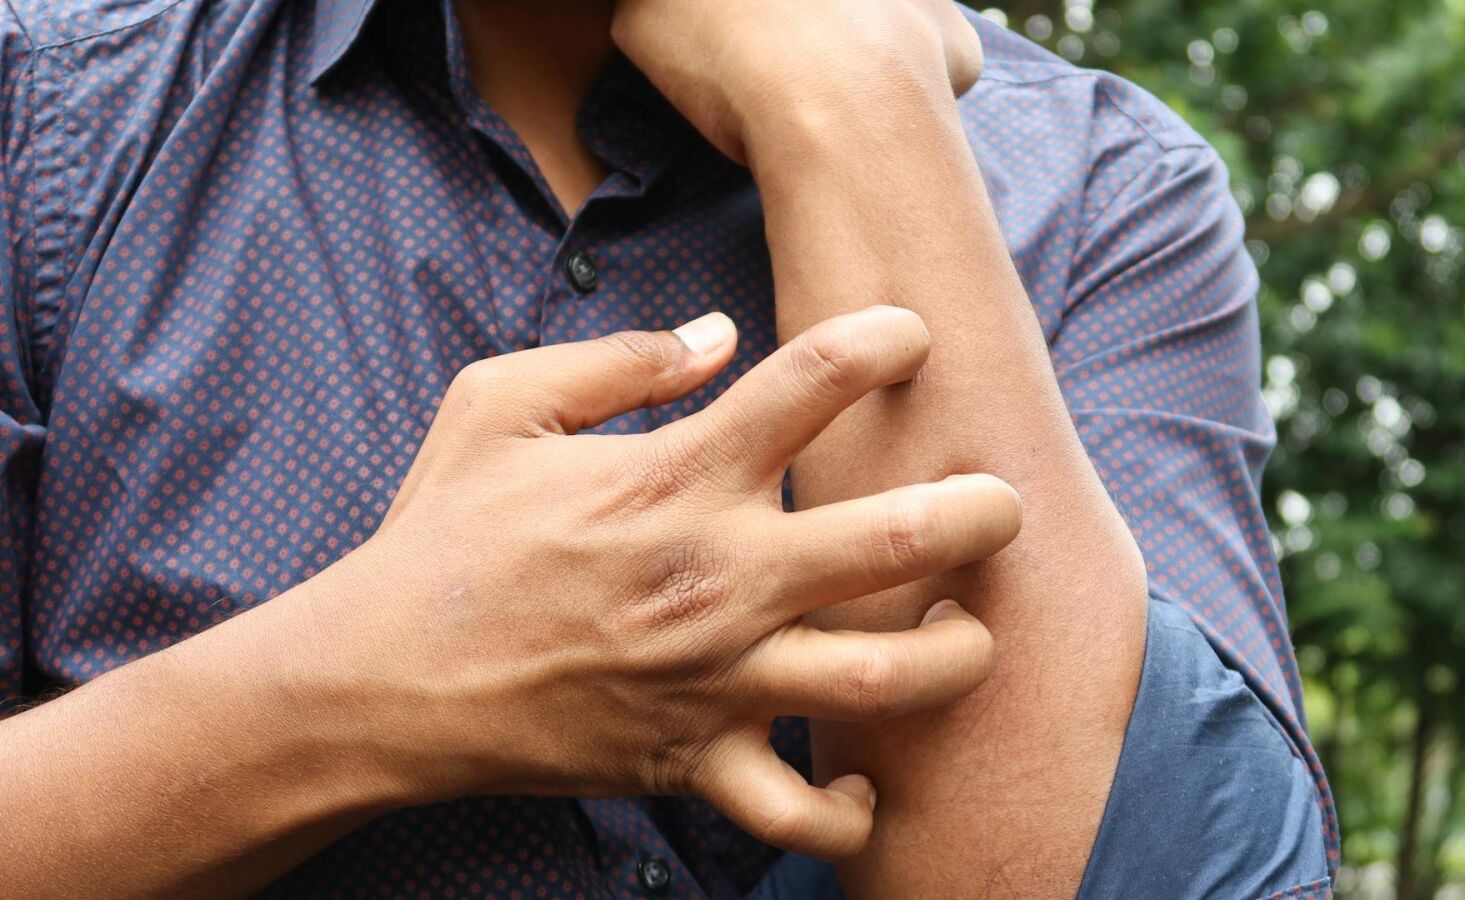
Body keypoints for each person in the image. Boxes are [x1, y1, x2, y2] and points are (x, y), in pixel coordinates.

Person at [0, 0, 1336, 896]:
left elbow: (1132, 863)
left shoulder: (1107, 187)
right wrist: (373, 686)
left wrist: (845, 95)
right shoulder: (50, 114)